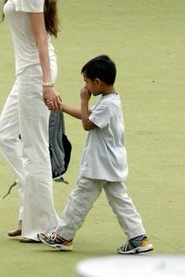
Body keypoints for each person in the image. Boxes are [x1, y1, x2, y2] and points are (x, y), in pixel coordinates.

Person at [38, 55, 154, 253]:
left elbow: (87, 123)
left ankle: (63, 237)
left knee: (79, 199)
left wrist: (83, 100)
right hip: (111, 164)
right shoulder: (110, 101)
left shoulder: (107, 104)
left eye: (87, 82)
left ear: (98, 82)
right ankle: (138, 238)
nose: (86, 87)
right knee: (120, 200)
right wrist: (62, 107)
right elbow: (89, 116)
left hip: (98, 165)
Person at [0, 0, 61, 243]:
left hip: (36, 73)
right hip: (26, 72)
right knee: (4, 134)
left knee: (36, 150)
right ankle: (29, 208)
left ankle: (44, 225)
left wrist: (47, 83)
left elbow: (41, 41)